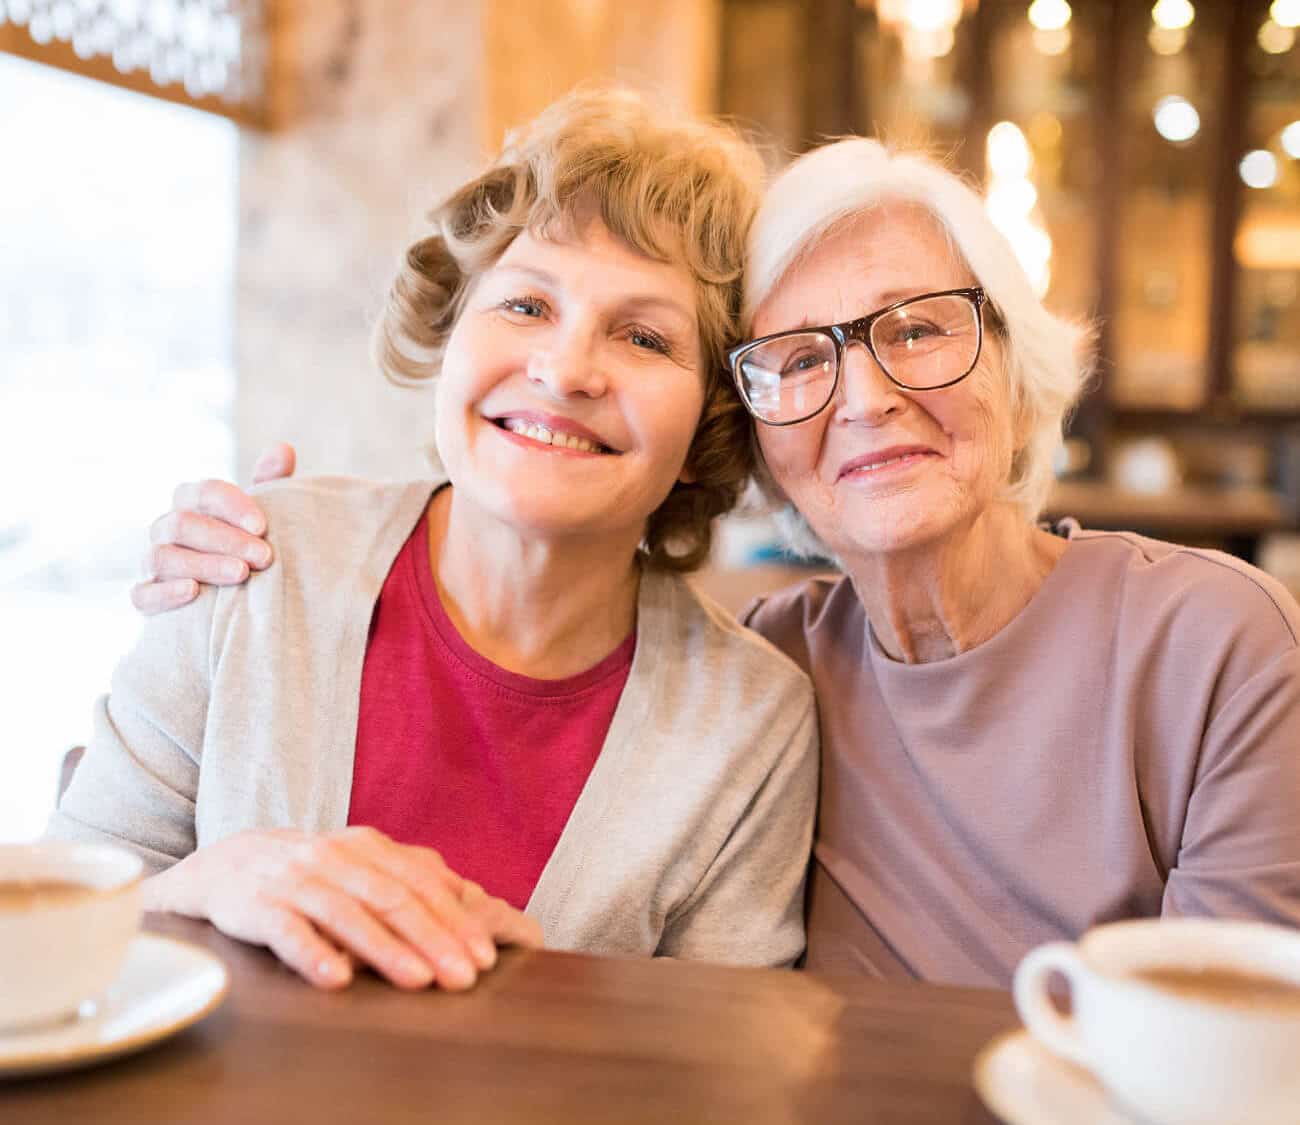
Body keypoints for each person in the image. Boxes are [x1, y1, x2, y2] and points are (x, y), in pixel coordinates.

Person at [132, 136, 1300, 991]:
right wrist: (193, 872)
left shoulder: (1204, 644)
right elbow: (81, 884)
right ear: (754, 424)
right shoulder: (779, 666)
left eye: (919, 327)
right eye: (797, 357)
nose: (866, 396)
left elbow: (1232, 1052)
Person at [50, 89, 818, 993]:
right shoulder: (251, 558)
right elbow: (50, 933)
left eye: (644, 336)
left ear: (709, 428)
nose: (566, 370)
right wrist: (201, 885)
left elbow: (719, 1074)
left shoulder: (749, 724)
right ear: (453, 330)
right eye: (527, 305)